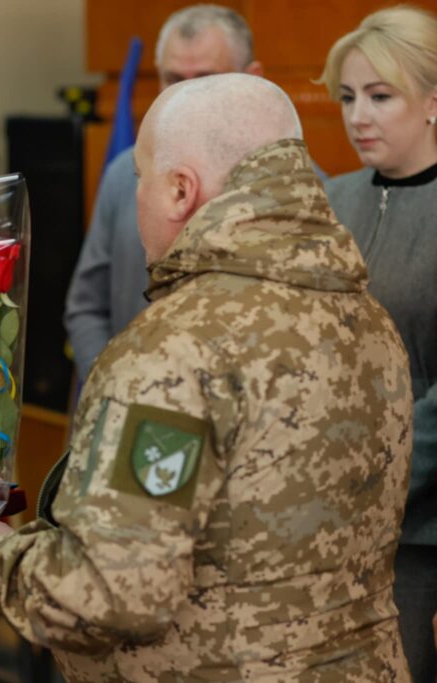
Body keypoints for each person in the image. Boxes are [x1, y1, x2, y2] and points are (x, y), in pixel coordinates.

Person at [0, 74, 414, 680]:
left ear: (181, 190)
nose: (136, 195)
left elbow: (112, 592)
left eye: (141, 177)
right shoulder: (369, 318)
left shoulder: (176, 349)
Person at [319, 8, 437, 680]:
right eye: (348, 96)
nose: (358, 115)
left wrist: (375, 483)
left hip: (418, 531)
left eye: (380, 95)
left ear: (432, 102)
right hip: (322, 514)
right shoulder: (333, 200)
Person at [64, 4, 263, 382]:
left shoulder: (290, 184)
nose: (184, 96)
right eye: (173, 79)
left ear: (252, 78)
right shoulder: (124, 174)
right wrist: (111, 381)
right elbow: (85, 306)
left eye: (204, 80)